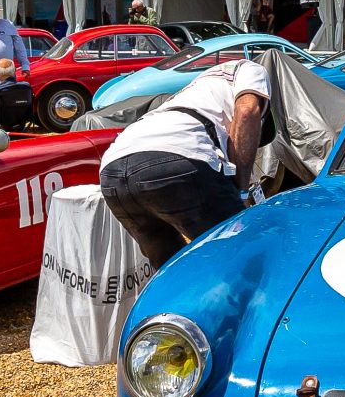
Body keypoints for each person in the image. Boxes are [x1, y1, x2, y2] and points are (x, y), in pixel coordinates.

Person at [99, 54, 270, 266]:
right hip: (177, 155)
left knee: (171, 274)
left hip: (113, 170)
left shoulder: (193, 90)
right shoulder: (248, 68)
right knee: (240, 259)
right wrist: (241, 191)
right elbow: (246, 112)